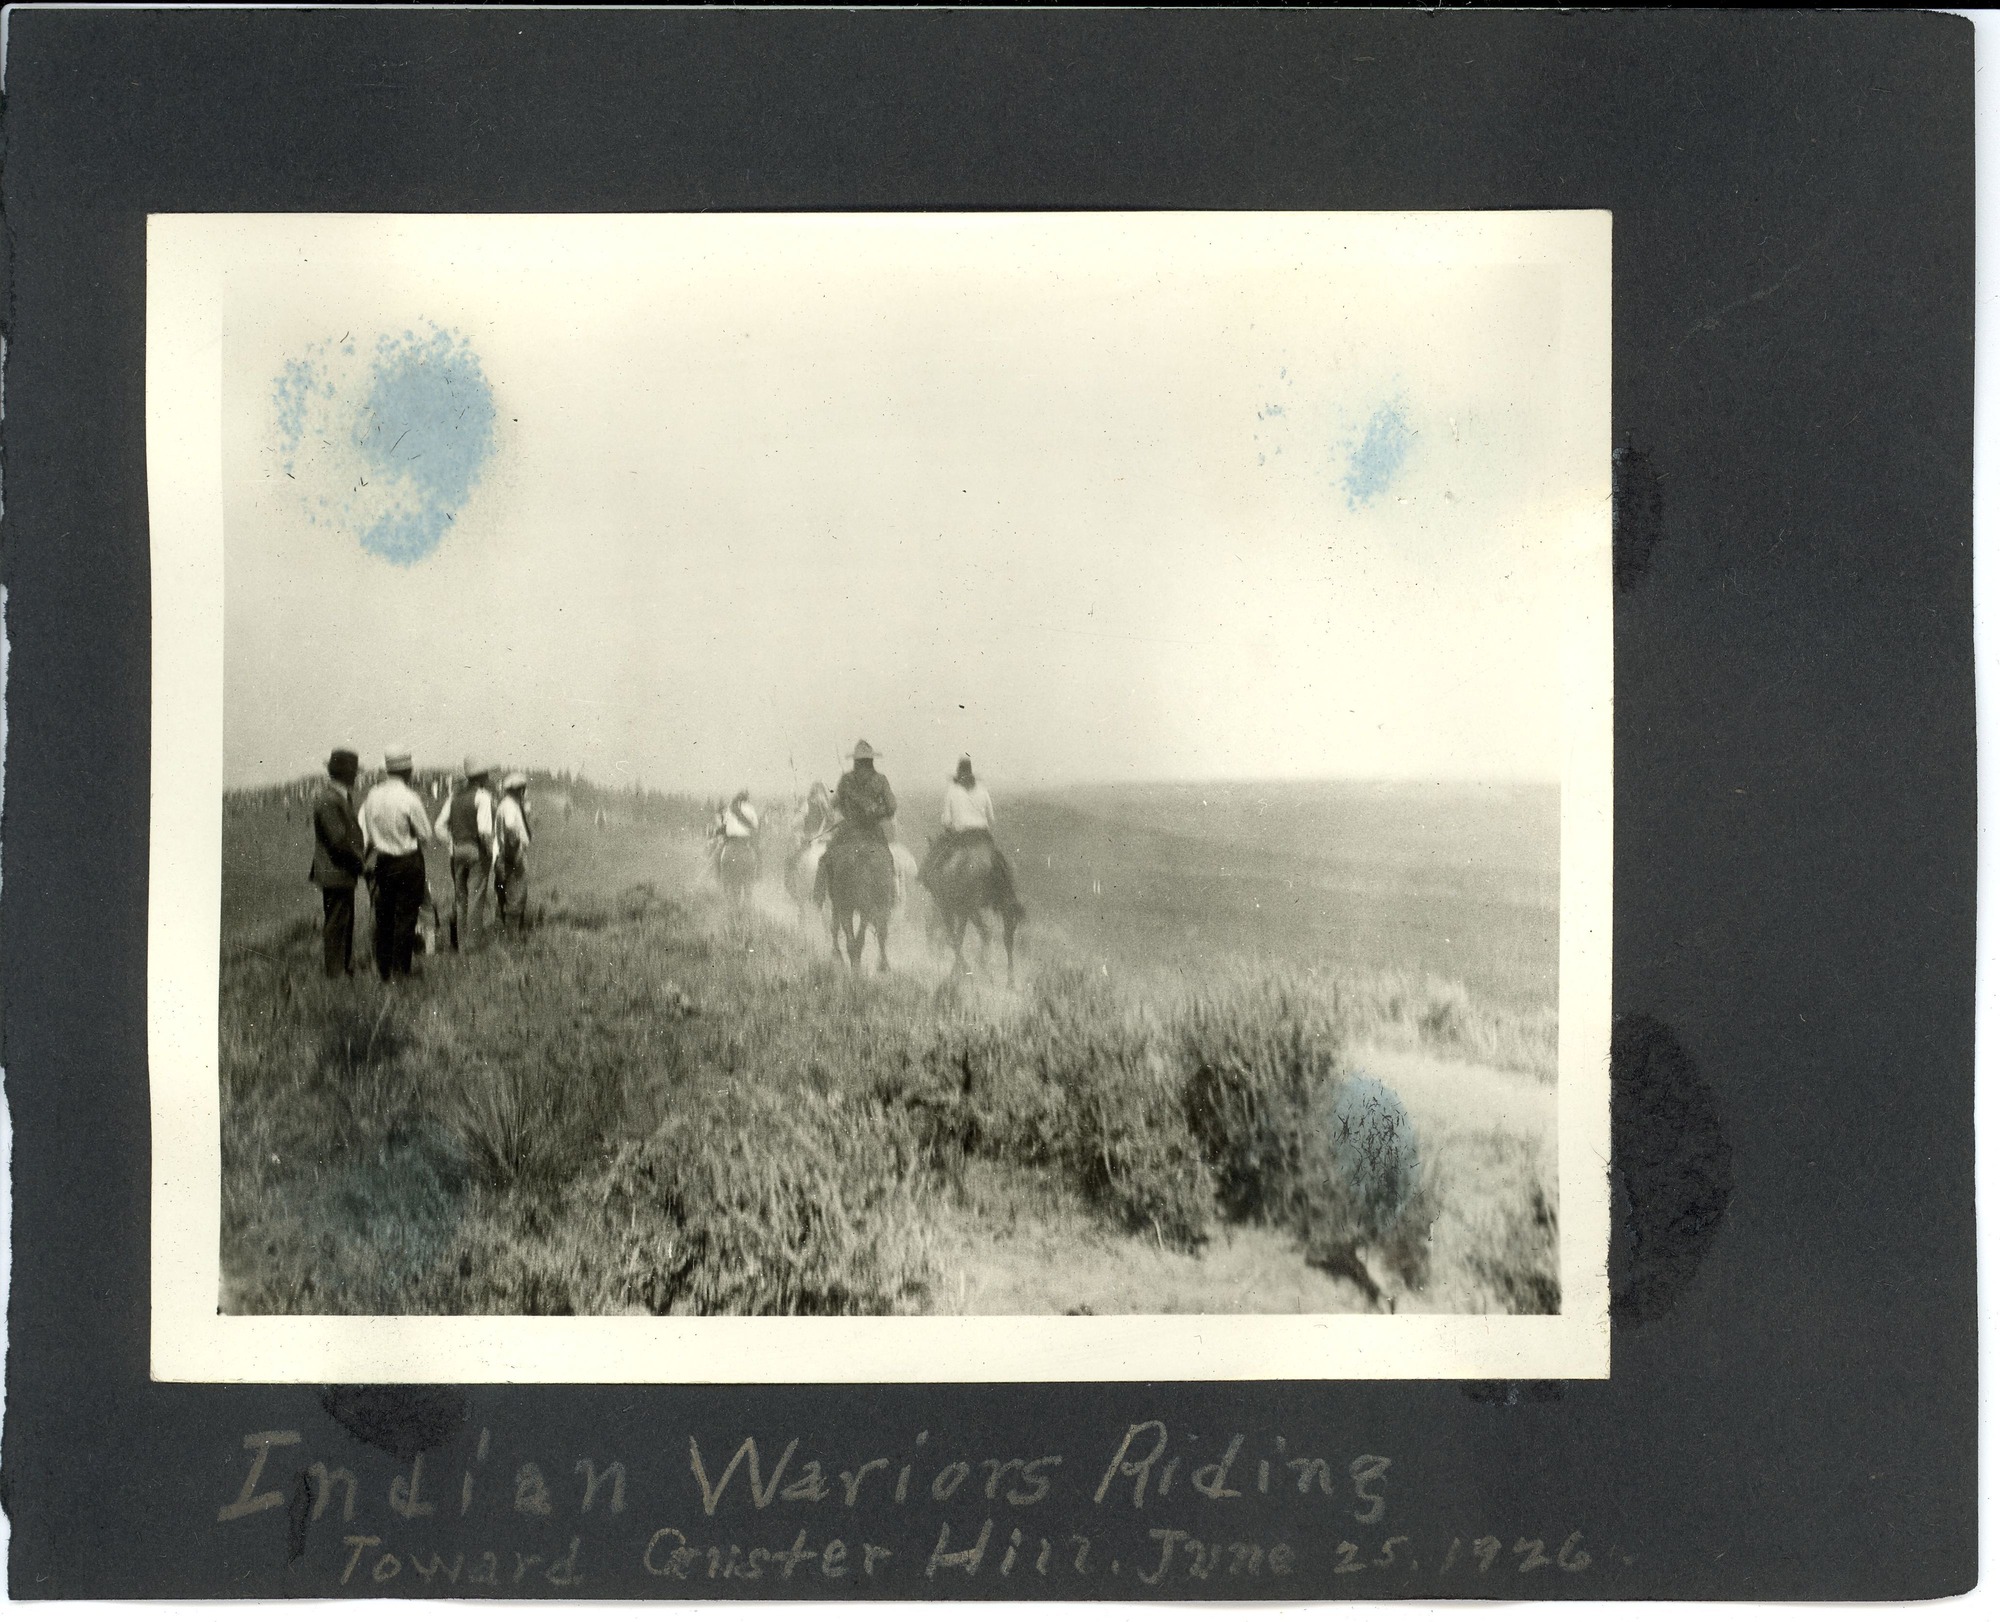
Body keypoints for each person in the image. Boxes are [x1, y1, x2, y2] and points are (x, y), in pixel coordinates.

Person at [358, 747, 434, 981]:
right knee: (406, 917)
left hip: (383, 861)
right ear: (408, 770)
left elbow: (369, 832)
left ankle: (384, 969)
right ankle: (401, 969)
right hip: (408, 860)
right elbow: (425, 834)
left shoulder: (372, 796)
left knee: (385, 916)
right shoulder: (409, 797)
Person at [922, 753, 1025, 919]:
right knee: (1001, 863)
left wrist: (953, 824)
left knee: (935, 859)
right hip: (983, 837)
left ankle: (927, 880)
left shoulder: (952, 790)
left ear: (958, 776)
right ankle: (1009, 898)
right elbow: (991, 818)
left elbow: (946, 821)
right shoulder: (983, 790)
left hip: (961, 837)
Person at [308, 748, 366, 978]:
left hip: (340, 870)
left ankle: (343, 967)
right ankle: (335, 972)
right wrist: (360, 862)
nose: (357, 777)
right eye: (355, 772)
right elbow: (339, 841)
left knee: (344, 920)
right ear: (347, 774)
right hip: (336, 870)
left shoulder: (337, 796)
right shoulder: (329, 800)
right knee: (337, 922)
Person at [816, 740, 897, 902]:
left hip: (848, 831)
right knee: (888, 859)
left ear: (855, 761)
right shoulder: (881, 779)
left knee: (824, 860)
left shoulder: (846, 779)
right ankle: (893, 895)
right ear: (871, 760)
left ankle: (818, 899)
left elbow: (833, 804)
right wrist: (876, 812)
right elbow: (892, 807)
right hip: (873, 832)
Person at [434, 757, 498, 950]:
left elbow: (439, 826)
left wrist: (451, 843)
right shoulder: (483, 797)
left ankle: (461, 943)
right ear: (482, 777)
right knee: (476, 898)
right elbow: (485, 832)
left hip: (457, 850)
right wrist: (491, 853)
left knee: (460, 898)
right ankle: (472, 945)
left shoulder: (454, 797)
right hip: (476, 850)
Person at [493, 771, 533, 932]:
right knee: (517, 894)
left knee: (504, 893)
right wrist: (516, 848)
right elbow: (510, 826)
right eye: (522, 789)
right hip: (512, 852)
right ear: (518, 790)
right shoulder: (510, 806)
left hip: (503, 853)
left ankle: (502, 929)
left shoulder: (506, 804)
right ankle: (512, 934)